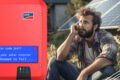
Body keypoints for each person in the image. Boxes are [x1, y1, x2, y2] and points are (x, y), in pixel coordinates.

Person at [46, 7, 117, 80]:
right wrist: (71, 35)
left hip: (95, 75)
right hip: (79, 76)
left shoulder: (104, 36)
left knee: (109, 70)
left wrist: (85, 73)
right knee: (54, 61)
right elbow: (60, 57)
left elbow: (107, 58)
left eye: (85, 22)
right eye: (80, 22)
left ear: (95, 26)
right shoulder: (78, 38)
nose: (81, 25)